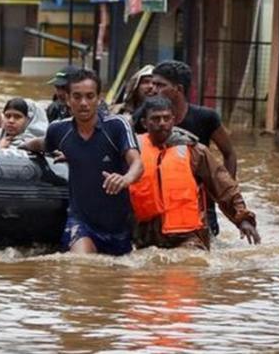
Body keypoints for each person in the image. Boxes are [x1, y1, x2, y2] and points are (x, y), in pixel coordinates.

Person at [22, 69, 142, 256]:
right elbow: (42, 144)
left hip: (118, 226)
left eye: (89, 96)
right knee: (81, 267)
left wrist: (125, 179)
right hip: (81, 223)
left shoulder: (117, 126)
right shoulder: (59, 130)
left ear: (98, 99)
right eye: (77, 97)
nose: (83, 103)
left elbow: (137, 163)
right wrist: (18, 146)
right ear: (67, 99)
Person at [130, 96, 260, 250]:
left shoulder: (195, 151)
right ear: (145, 123)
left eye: (166, 118)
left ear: (173, 120)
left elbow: (223, 186)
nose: (162, 123)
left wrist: (242, 219)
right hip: (143, 236)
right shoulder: (131, 151)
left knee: (189, 265)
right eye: (156, 119)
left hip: (187, 236)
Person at [150, 60, 239, 236]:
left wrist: (223, 191)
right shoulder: (146, 119)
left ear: (179, 89)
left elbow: (229, 154)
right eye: (152, 84)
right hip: (160, 202)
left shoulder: (206, 118)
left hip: (202, 203)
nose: (153, 89)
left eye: (160, 85)